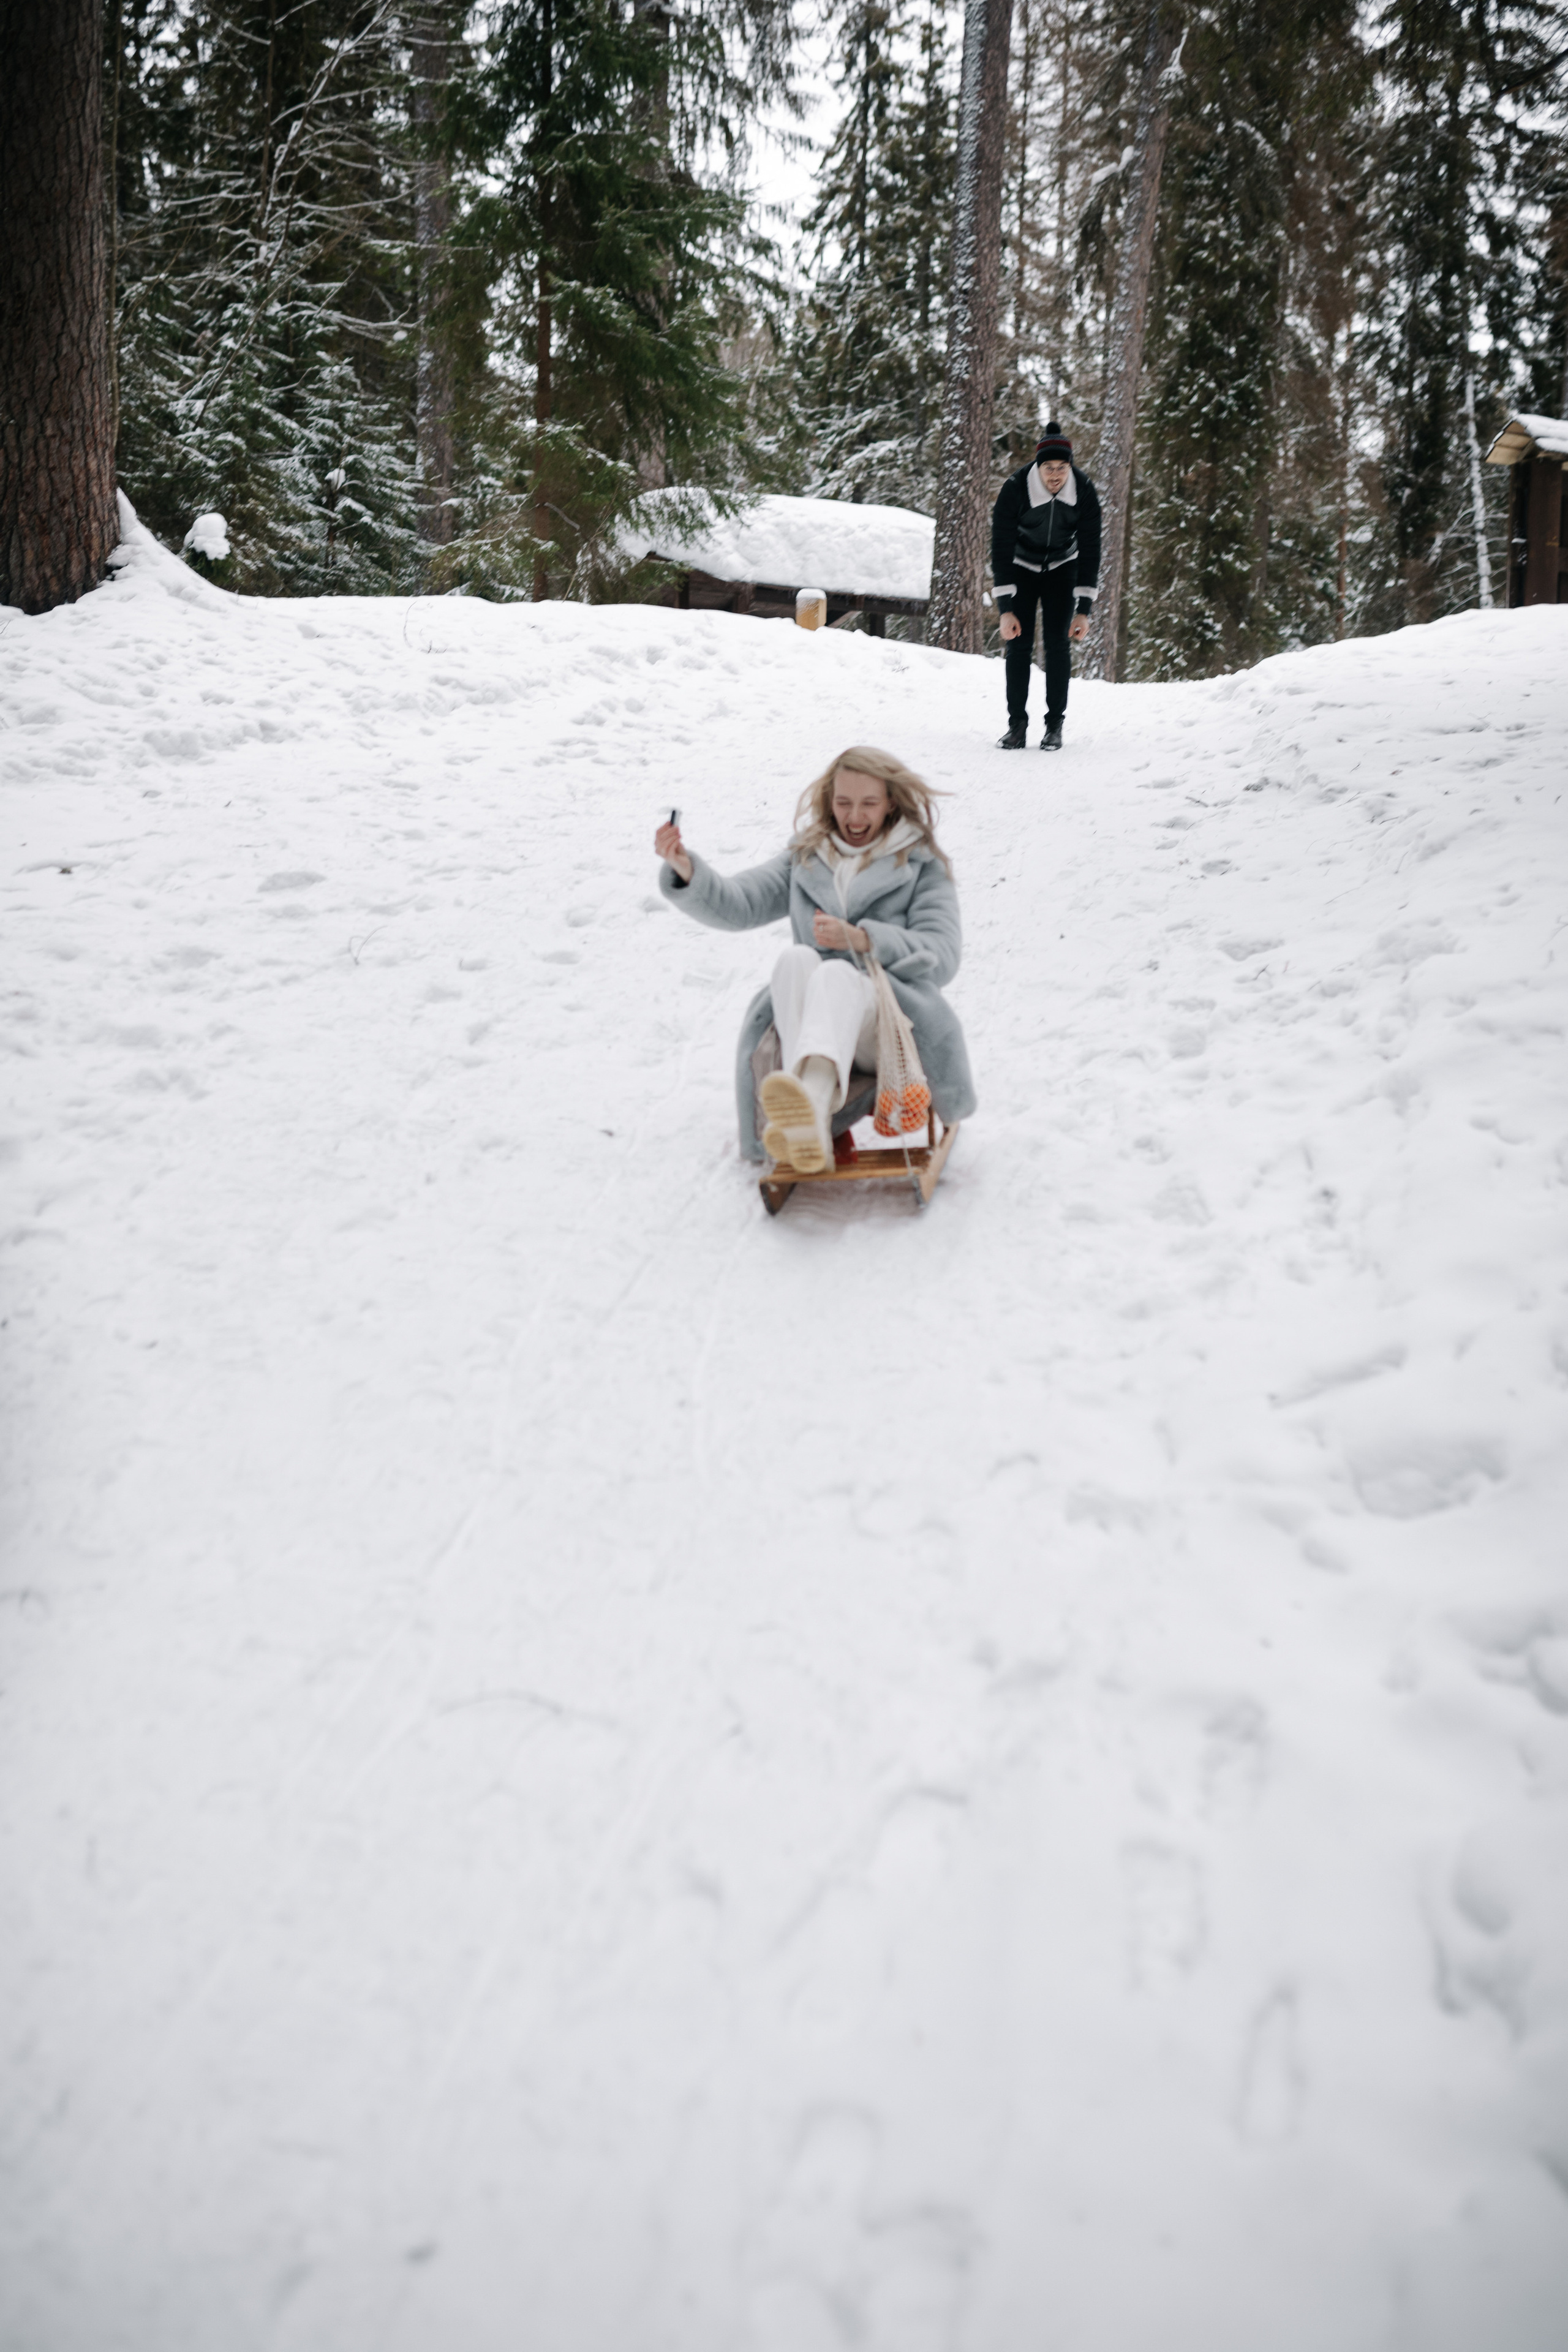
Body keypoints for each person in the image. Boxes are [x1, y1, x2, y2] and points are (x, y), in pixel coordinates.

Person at [654, 747, 976, 1172]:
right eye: (844, 803)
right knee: (796, 960)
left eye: (868, 804)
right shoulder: (807, 857)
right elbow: (740, 903)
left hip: (889, 1029)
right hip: (814, 1030)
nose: (855, 817)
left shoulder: (920, 865)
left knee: (836, 975)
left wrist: (864, 940)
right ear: (830, 802)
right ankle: (812, 1115)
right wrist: (686, 870)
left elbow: (944, 954)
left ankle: (813, 1111)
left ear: (891, 803)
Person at [990, 421, 1102, 752]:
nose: (1055, 475)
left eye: (1062, 468)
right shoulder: (1015, 489)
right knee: (1018, 645)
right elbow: (1000, 546)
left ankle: (1054, 725)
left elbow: (1091, 547)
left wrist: (1084, 610)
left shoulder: (1083, 490)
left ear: (1071, 467)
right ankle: (1017, 726)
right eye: (1049, 468)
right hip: (1021, 566)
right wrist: (1005, 608)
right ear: (1038, 467)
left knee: (1057, 645)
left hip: (1063, 568)